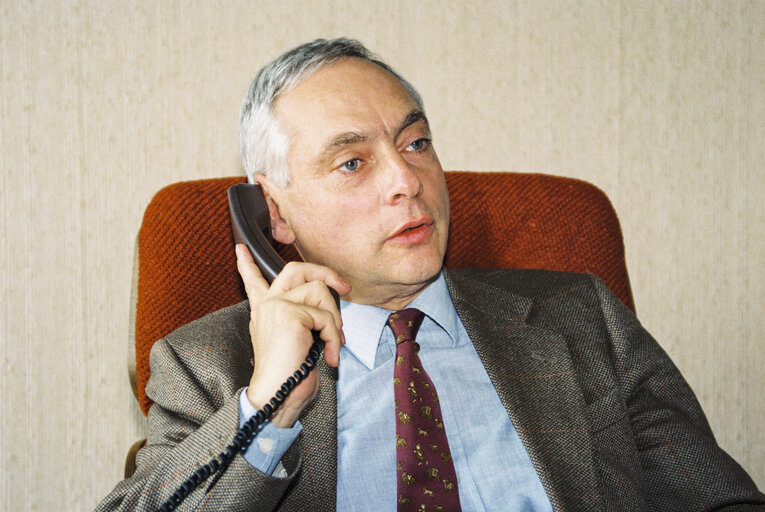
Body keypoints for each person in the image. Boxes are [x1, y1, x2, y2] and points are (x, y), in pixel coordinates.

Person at [97, 38, 764, 511]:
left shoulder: (578, 318)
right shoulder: (209, 362)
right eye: (352, 162)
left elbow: (715, 498)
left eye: (414, 144)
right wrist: (268, 407)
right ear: (273, 212)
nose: (405, 181)